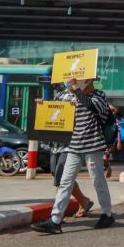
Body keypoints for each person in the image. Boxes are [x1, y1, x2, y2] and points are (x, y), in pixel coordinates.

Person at [31, 78, 113, 233]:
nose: (74, 82)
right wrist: (44, 107)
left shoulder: (99, 95)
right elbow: (59, 114)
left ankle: (108, 213)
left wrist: (77, 91)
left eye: (79, 80)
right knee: (65, 182)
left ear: (88, 81)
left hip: (93, 145)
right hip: (75, 145)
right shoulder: (75, 97)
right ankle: (55, 220)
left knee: (98, 181)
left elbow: (94, 108)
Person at [38, 85, 95, 218]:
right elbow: (51, 112)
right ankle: (84, 201)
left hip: (71, 143)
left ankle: (57, 216)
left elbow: (88, 114)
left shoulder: (82, 96)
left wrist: (75, 108)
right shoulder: (60, 95)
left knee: (62, 177)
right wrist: (42, 105)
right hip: (56, 143)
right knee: (57, 176)